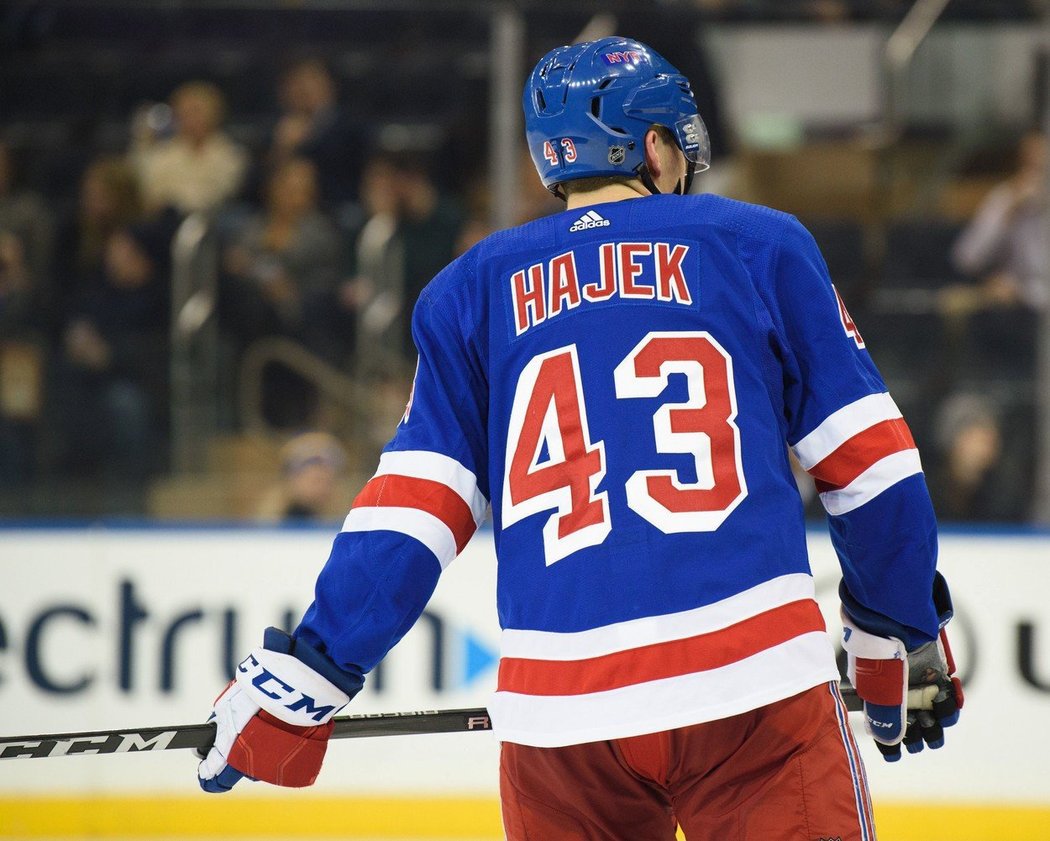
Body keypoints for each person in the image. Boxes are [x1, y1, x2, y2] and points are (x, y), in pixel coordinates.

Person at [198, 38, 963, 840]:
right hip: (753, 689)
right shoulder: (757, 244)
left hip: (559, 716)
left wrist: (312, 666)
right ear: (657, 146)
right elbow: (873, 468)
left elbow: (414, 512)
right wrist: (895, 629)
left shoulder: (470, 290)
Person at [130, 81, 248, 216]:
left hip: (213, 222)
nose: (191, 118)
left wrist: (176, 198)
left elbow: (218, 193)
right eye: (185, 112)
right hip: (166, 221)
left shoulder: (231, 155)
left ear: (215, 113)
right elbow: (150, 192)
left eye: (196, 111)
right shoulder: (162, 155)